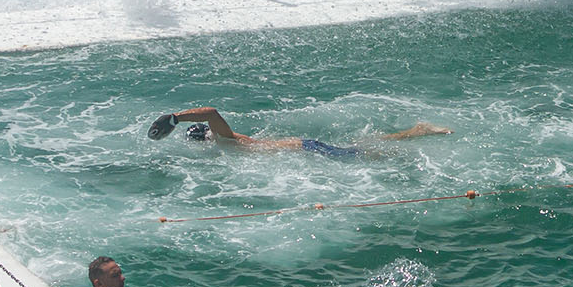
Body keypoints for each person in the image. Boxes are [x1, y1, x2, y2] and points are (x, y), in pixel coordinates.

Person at [147, 105, 449, 159]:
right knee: (360, 147)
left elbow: (212, 113)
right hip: (307, 148)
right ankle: (415, 131)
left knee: (371, 156)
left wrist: (174, 118)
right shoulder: (229, 144)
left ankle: (417, 134)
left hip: (308, 150)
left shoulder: (225, 140)